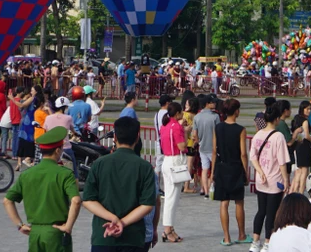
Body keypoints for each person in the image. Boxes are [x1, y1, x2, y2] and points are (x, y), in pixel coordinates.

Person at [81, 116, 157, 251]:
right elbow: (147, 205)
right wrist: (122, 222)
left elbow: (88, 200)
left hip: (103, 236)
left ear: (114, 137)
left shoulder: (99, 164)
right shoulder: (145, 167)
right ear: (137, 137)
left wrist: (112, 218)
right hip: (133, 238)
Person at [3, 126, 83, 252]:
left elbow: (7, 201)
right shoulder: (65, 174)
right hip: (56, 232)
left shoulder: (27, 174)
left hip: (34, 233)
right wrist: (68, 226)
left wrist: (20, 225)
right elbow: (76, 201)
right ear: (57, 151)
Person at [249, 103, 291, 252]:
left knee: (261, 211)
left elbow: (252, 157)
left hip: (262, 180)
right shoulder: (278, 136)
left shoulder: (258, 134)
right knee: (271, 213)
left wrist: (259, 171)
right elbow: (282, 162)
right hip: (275, 180)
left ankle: (255, 242)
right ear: (277, 119)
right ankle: (267, 242)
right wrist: (286, 180)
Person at [214, 98, 249, 246]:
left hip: (221, 166)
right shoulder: (240, 129)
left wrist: (211, 173)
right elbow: (243, 154)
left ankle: (227, 237)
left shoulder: (218, 127)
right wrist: (246, 171)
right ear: (236, 111)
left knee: (224, 203)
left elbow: (214, 150)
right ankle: (241, 234)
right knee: (239, 202)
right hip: (235, 167)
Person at [158, 102, 187, 243]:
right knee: (172, 198)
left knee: (171, 197)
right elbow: (182, 146)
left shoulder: (165, 125)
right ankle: (167, 230)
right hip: (175, 160)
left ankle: (170, 228)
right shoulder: (176, 127)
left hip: (167, 160)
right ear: (177, 114)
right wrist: (185, 133)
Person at [193, 95, 221, 198]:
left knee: (204, 169)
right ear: (207, 104)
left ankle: (205, 191)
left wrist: (198, 141)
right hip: (213, 147)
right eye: (212, 102)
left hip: (202, 146)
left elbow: (194, 134)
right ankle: (210, 189)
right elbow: (218, 132)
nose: (214, 104)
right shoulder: (215, 116)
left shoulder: (197, 117)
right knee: (213, 169)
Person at [44, 97, 78, 178]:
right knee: (73, 172)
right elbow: (73, 130)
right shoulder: (68, 118)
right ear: (65, 107)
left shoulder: (48, 118)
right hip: (65, 147)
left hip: (51, 148)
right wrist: (76, 134)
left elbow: (45, 131)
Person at [289, 100, 311, 193]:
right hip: (304, 147)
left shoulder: (296, 118)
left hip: (297, 146)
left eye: (310, 109)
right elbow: (307, 136)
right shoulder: (305, 121)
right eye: (307, 109)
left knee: (298, 172)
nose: (309, 111)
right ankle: (300, 192)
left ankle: (293, 191)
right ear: (302, 109)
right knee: (304, 171)